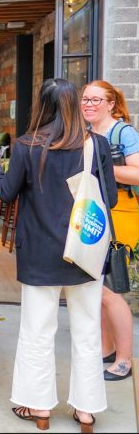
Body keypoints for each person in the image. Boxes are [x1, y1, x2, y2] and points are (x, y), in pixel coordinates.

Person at [0, 78, 117, 431]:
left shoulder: (28, 146)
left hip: (40, 253)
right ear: (73, 104)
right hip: (85, 253)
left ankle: (38, 408)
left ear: (41, 104)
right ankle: (86, 411)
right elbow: (110, 200)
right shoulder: (96, 145)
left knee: (36, 331)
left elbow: (7, 192)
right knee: (87, 331)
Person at [80, 80, 139, 381]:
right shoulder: (87, 133)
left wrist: (101, 165)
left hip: (121, 216)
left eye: (96, 100)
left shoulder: (122, 132)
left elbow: (138, 173)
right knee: (97, 288)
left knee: (108, 290)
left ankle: (124, 360)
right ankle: (106, 349)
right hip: (96, 215)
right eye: (85, 99)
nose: (89, 105)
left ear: (112, 103)